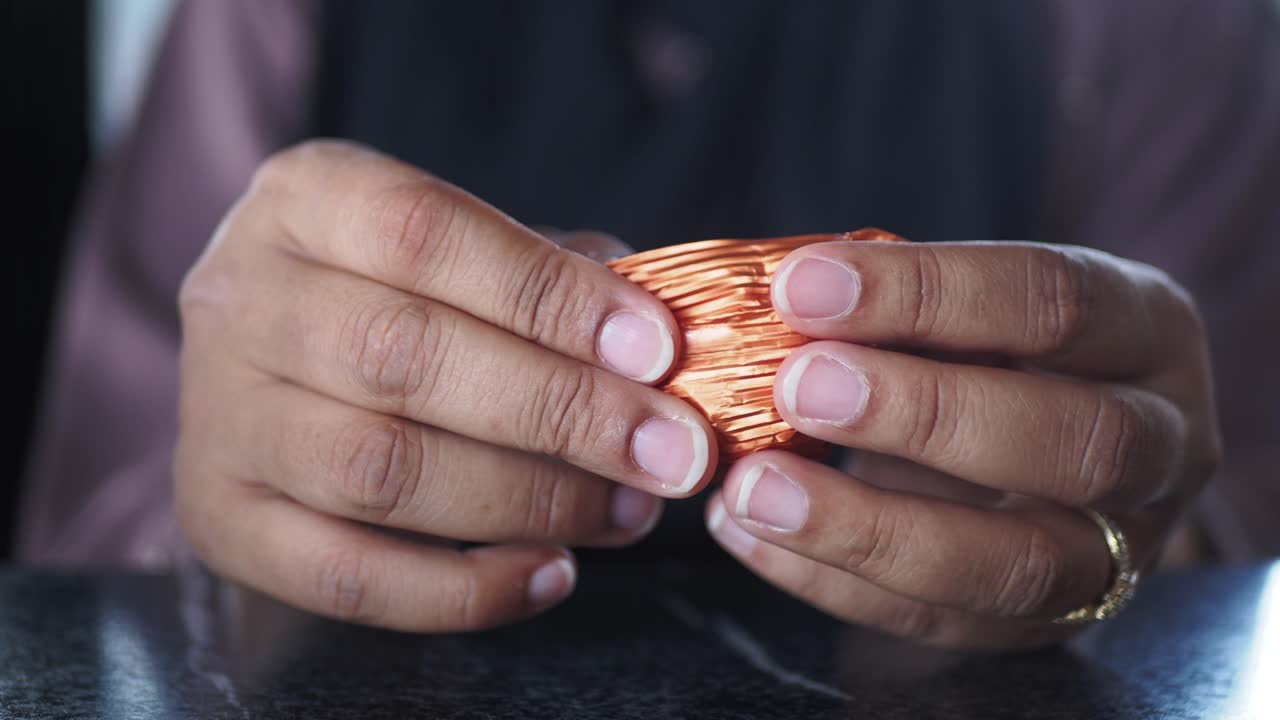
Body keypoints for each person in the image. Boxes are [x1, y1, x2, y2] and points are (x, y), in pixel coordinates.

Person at [16, 0, 1280, 649]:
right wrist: (225, 518)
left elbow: (1223, 529)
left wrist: (1128, 548)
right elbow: (84, 555)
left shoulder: (1157, 27)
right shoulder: (267, 17)